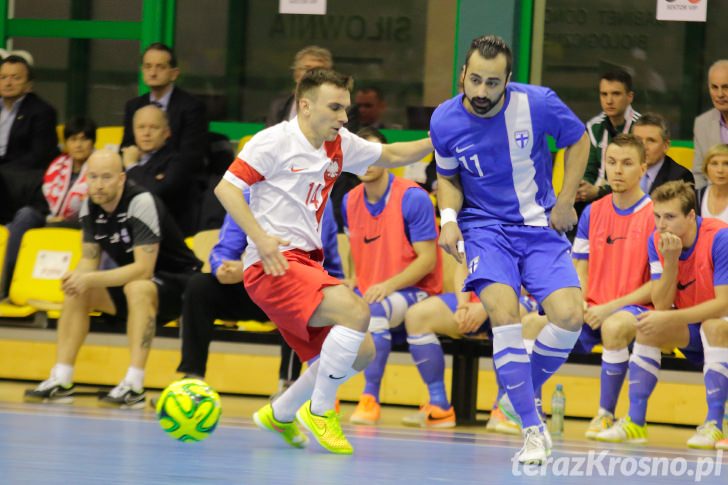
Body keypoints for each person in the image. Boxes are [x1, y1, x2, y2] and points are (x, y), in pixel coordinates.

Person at [214, 68, 433, 455]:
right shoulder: (272, 142)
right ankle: (320, 411)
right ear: (305, 105)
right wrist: (260, 239)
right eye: (335, 108)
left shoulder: (340, 144)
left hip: (307, 265)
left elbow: (396, 153)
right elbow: (226, 189)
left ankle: (281, 412)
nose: (344, 118)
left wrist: (442, 139)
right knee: (356, 309)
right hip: (273, 264)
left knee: (360, 352)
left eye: (346, 109)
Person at [432, 34, 590, 464]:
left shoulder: (538, 104)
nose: (482, 92)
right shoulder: (444, 121)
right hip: (484, 227)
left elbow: (580, 141)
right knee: (504, 313)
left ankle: (516, 395)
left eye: (493, 83)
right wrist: (448, 221)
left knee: (570, 316)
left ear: (509, 81)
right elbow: (448, 178)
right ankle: (532, 428)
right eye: (475, 80)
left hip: (538, 227)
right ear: (463, 75)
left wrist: (564, 200)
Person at [24, 150, 201, 408]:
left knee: (138, 287)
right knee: (78, 289)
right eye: (93, 177)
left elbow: (143, 269)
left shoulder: (140, 202)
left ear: (121, 179)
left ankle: (134, 385)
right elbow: (89, 259)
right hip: (131, 284)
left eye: (106, 177)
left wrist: (91, 278)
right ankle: (61, 379)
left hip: (180, 284)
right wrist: (77, 276)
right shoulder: (90, 206)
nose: (98, 184)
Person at [595, 181, 728, 449]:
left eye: (669, 217)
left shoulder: (720, 237)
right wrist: (670, 263)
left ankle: (714, 423)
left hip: (720, 324)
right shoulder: (658, 241)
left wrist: (670, 318)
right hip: (693, 324)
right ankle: (635, 422)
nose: (661, 224)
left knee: (713, 325)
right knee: (647, 326)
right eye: (657, 216)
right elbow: (662, 303)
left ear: (691, 216)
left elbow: (724, 305)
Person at [176, 201, 343, 380]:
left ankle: (287, 383)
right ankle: (192, 379)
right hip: (254, 287)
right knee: (199, 286)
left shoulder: (317, 199)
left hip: (302, 287)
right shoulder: (247, 196)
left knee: (300, 293)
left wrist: (250, 268)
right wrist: (222, 269)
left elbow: (309, 262)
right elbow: (224, 249)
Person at [343, 127, 442, 426]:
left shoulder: (413, 197)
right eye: (359, 156)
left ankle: (369, 398)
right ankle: (321, 398)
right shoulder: (349, 201)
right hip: (374, 291)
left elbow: (427, 260)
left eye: (373, 156)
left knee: (372, 310)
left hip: (418, 290)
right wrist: (350, 279)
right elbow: (353, 246)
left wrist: (387, 286)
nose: (366, 163)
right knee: (318, 308)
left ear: (387, 158)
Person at [571, 134, 656, 439]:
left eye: (627, 163)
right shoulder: (593, 212)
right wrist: (580, 302)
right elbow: (579, 266)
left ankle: (605, 415)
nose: (618, 170)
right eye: (612, 162)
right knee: (533, 325)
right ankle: (525, 411)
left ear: (643, 167)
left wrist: (608, 308)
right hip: (593, 306)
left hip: (638, 308)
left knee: (613, 328)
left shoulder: (655, 216)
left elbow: (657, 288)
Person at [401, 258, 543, 431]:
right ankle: (438, 405)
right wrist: (462, 306)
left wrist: (487, 307)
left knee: (506, 317)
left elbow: (532, 275)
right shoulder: (470, 230)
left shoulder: (529, 229)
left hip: (520, 297)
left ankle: (505, 407)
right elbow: (463, 266)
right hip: (475, 299)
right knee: (417, 316)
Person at [1, 117, 96, 297]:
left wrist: (63, 220)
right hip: (50, 218)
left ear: (92, 142)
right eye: (73, 139)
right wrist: (49, 218)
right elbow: (42, 201)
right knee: (25, 215)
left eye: (84, 139)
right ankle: (7, 282)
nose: (79, 145)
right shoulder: (56, 167)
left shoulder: (98, 168)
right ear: (66, 143)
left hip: (82, 224)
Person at [121, 43, 206, 168]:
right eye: (148, 66)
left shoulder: (192, 107)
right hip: (138, 173)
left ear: (174, 73)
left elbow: (191, 155)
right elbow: (126, 148)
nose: (153, 73)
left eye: (160, 67)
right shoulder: (133, 106)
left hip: (174, 176)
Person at [122, 105, 202, 236]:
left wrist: (131, 166)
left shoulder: (177, 162)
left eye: (154, 127)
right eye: (141, 127)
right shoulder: (121, 158)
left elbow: (153, 193)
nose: (146, 133)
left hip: (166, 238)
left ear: (167, 132)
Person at [0, 54, 59, 223]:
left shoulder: (42, 111)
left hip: (21, 175)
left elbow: (39, 155)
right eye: (2, 77)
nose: (8, 83)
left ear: (29, 85)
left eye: (15, 78)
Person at [578, 70, 641, 204]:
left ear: (630, 97)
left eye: (616, 94)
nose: (609, 100)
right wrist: (582, 187)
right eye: (604, 94)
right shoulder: (594, 127)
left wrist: (599, 191)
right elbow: (589, 171)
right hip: (599, 197)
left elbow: (640, 179)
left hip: (631, 197)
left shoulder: (640, 128)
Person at [265, 45, 333, 126]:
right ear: (296, 74)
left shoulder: (341, 108)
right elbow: (270, 136)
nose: (312, 75)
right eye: (307, 69)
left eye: (319, 71)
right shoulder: (279, 106)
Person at [632, 113, 694, 194]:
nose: (643, 147)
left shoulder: (680, 178)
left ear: (666, 146)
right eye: (638, 140)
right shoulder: (622, 170)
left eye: (651, 140)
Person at [693, 60, 728, 189]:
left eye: (726, 87)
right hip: (712, 201)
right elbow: (698, 173)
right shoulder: (701, 123)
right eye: (714, 87)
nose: (720, 94)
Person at [696, 144, 728, 223]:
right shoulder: (697, 197)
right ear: (706, 168)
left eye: (726, 164)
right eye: (714, 164)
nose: (720, 170)